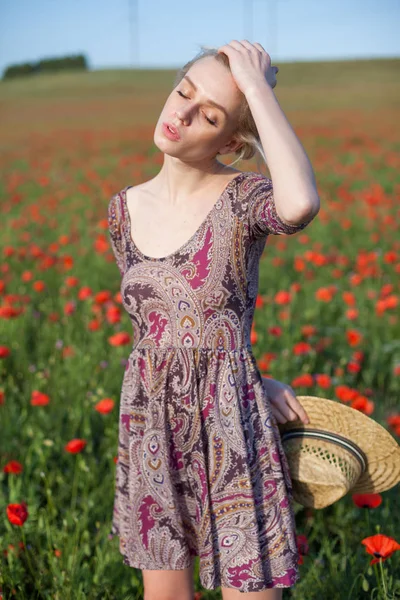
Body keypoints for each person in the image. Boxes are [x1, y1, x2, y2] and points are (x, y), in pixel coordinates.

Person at [107, 40, 320, 600]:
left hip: (232, 429)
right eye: (183, 92)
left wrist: (256, 89)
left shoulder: (244, 198)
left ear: (229, 141)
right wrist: (248, 372)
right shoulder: (122, 211)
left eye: (208, 114)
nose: (179, 114)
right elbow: (161, 332)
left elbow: (298, 205)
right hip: (152, 425)